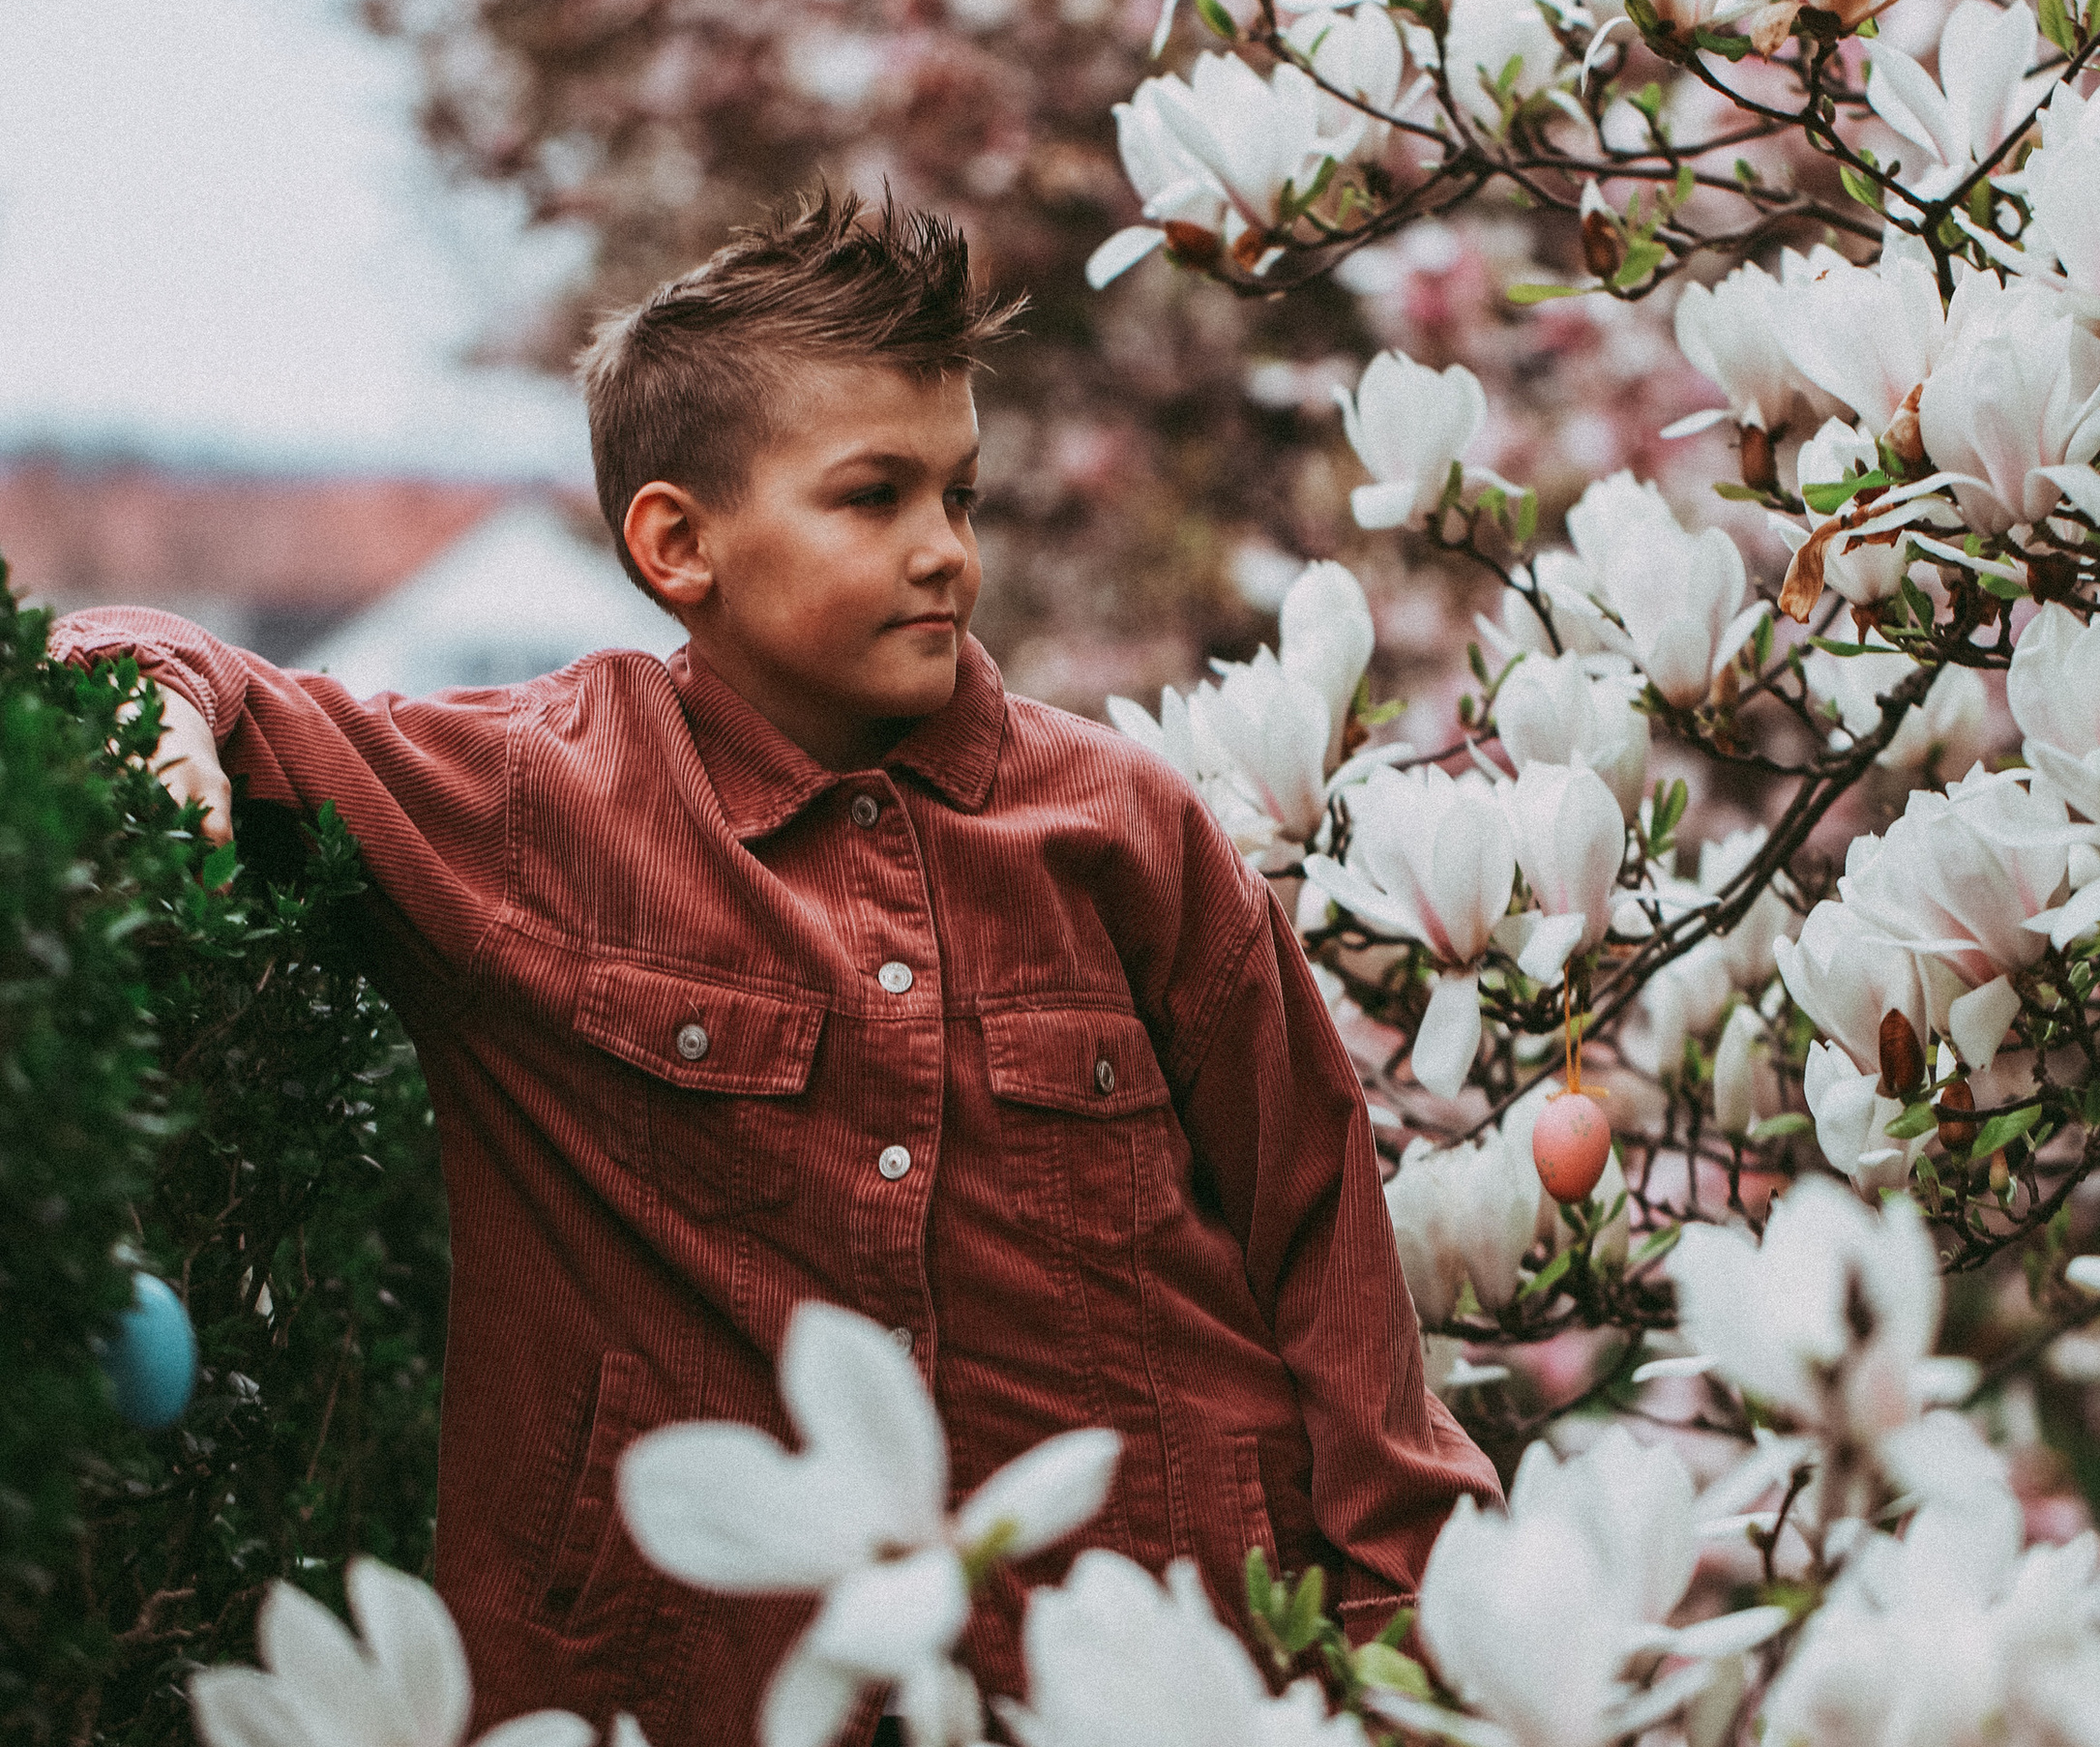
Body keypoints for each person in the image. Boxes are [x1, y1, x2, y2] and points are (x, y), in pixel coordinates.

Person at [50, 188, 1499, 1743]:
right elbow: (175, 667)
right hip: (688, 1686)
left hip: (1150, 1665)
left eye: (963, 496)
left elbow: (1317, 1224)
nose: (945, 552)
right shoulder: (538, 808)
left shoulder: (1121, 827)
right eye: (873, 499)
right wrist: (151, 718)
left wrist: (1405, 1625)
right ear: (679, 545)